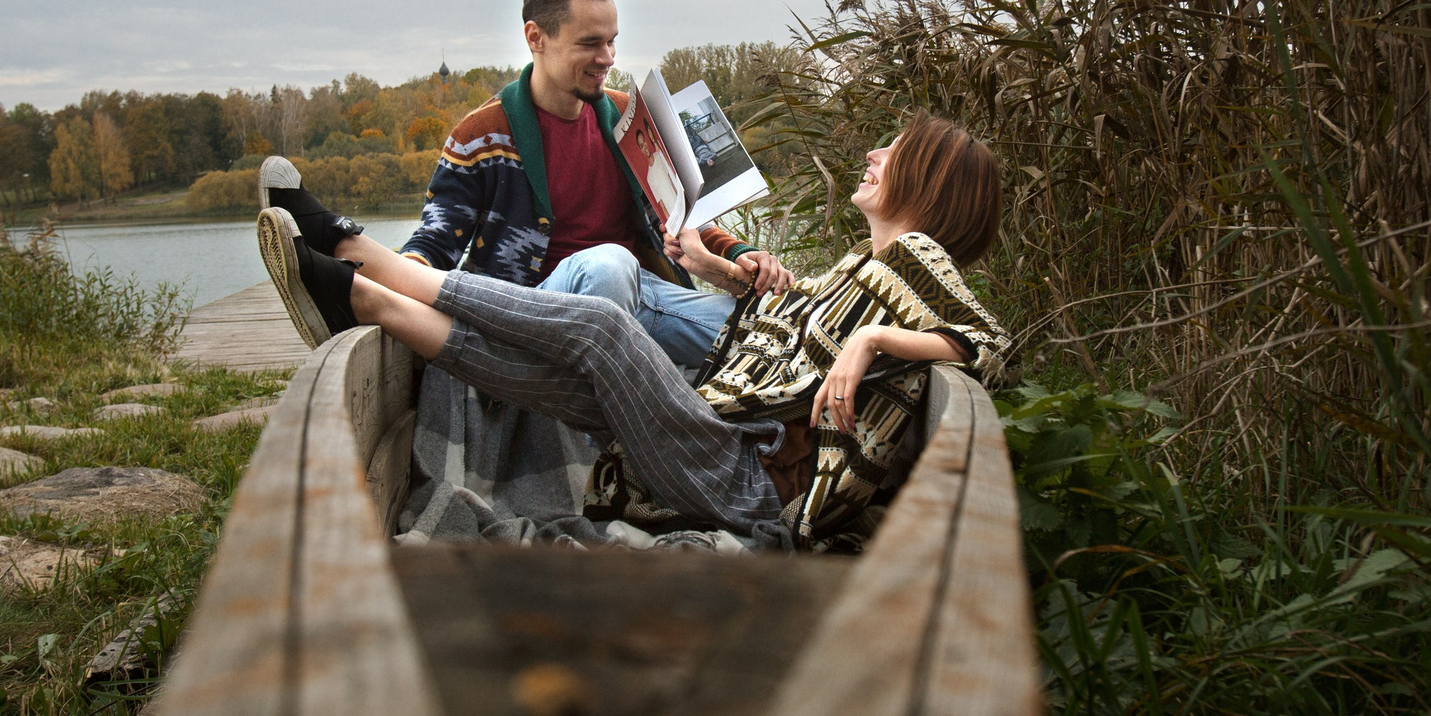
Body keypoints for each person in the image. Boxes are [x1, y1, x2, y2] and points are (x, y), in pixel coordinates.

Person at [257, 114, 1010, 550]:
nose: (874, 155)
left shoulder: (916, 256)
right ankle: (369, 298)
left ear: (929, 182)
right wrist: (718, 271)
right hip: (729, 444)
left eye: (895, 151)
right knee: (574, 376)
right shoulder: (863, 267)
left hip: (757, 482)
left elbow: (991, 343)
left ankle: (366, 258)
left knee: (602, 330)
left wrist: (872, 344)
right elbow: (770, 338)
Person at [255, 0, 751, 370]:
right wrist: (406, 274)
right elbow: (434, 244)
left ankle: (349, 264)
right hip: (532, 313)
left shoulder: (629, 121)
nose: (607, 57)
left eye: (611, 40)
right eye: (589, 43)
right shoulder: (481, 136)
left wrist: (739, 255)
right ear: (536, 38)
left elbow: (685, 220)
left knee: (761, 332)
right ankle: (362, 278)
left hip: (643, 301)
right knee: (607, 265)